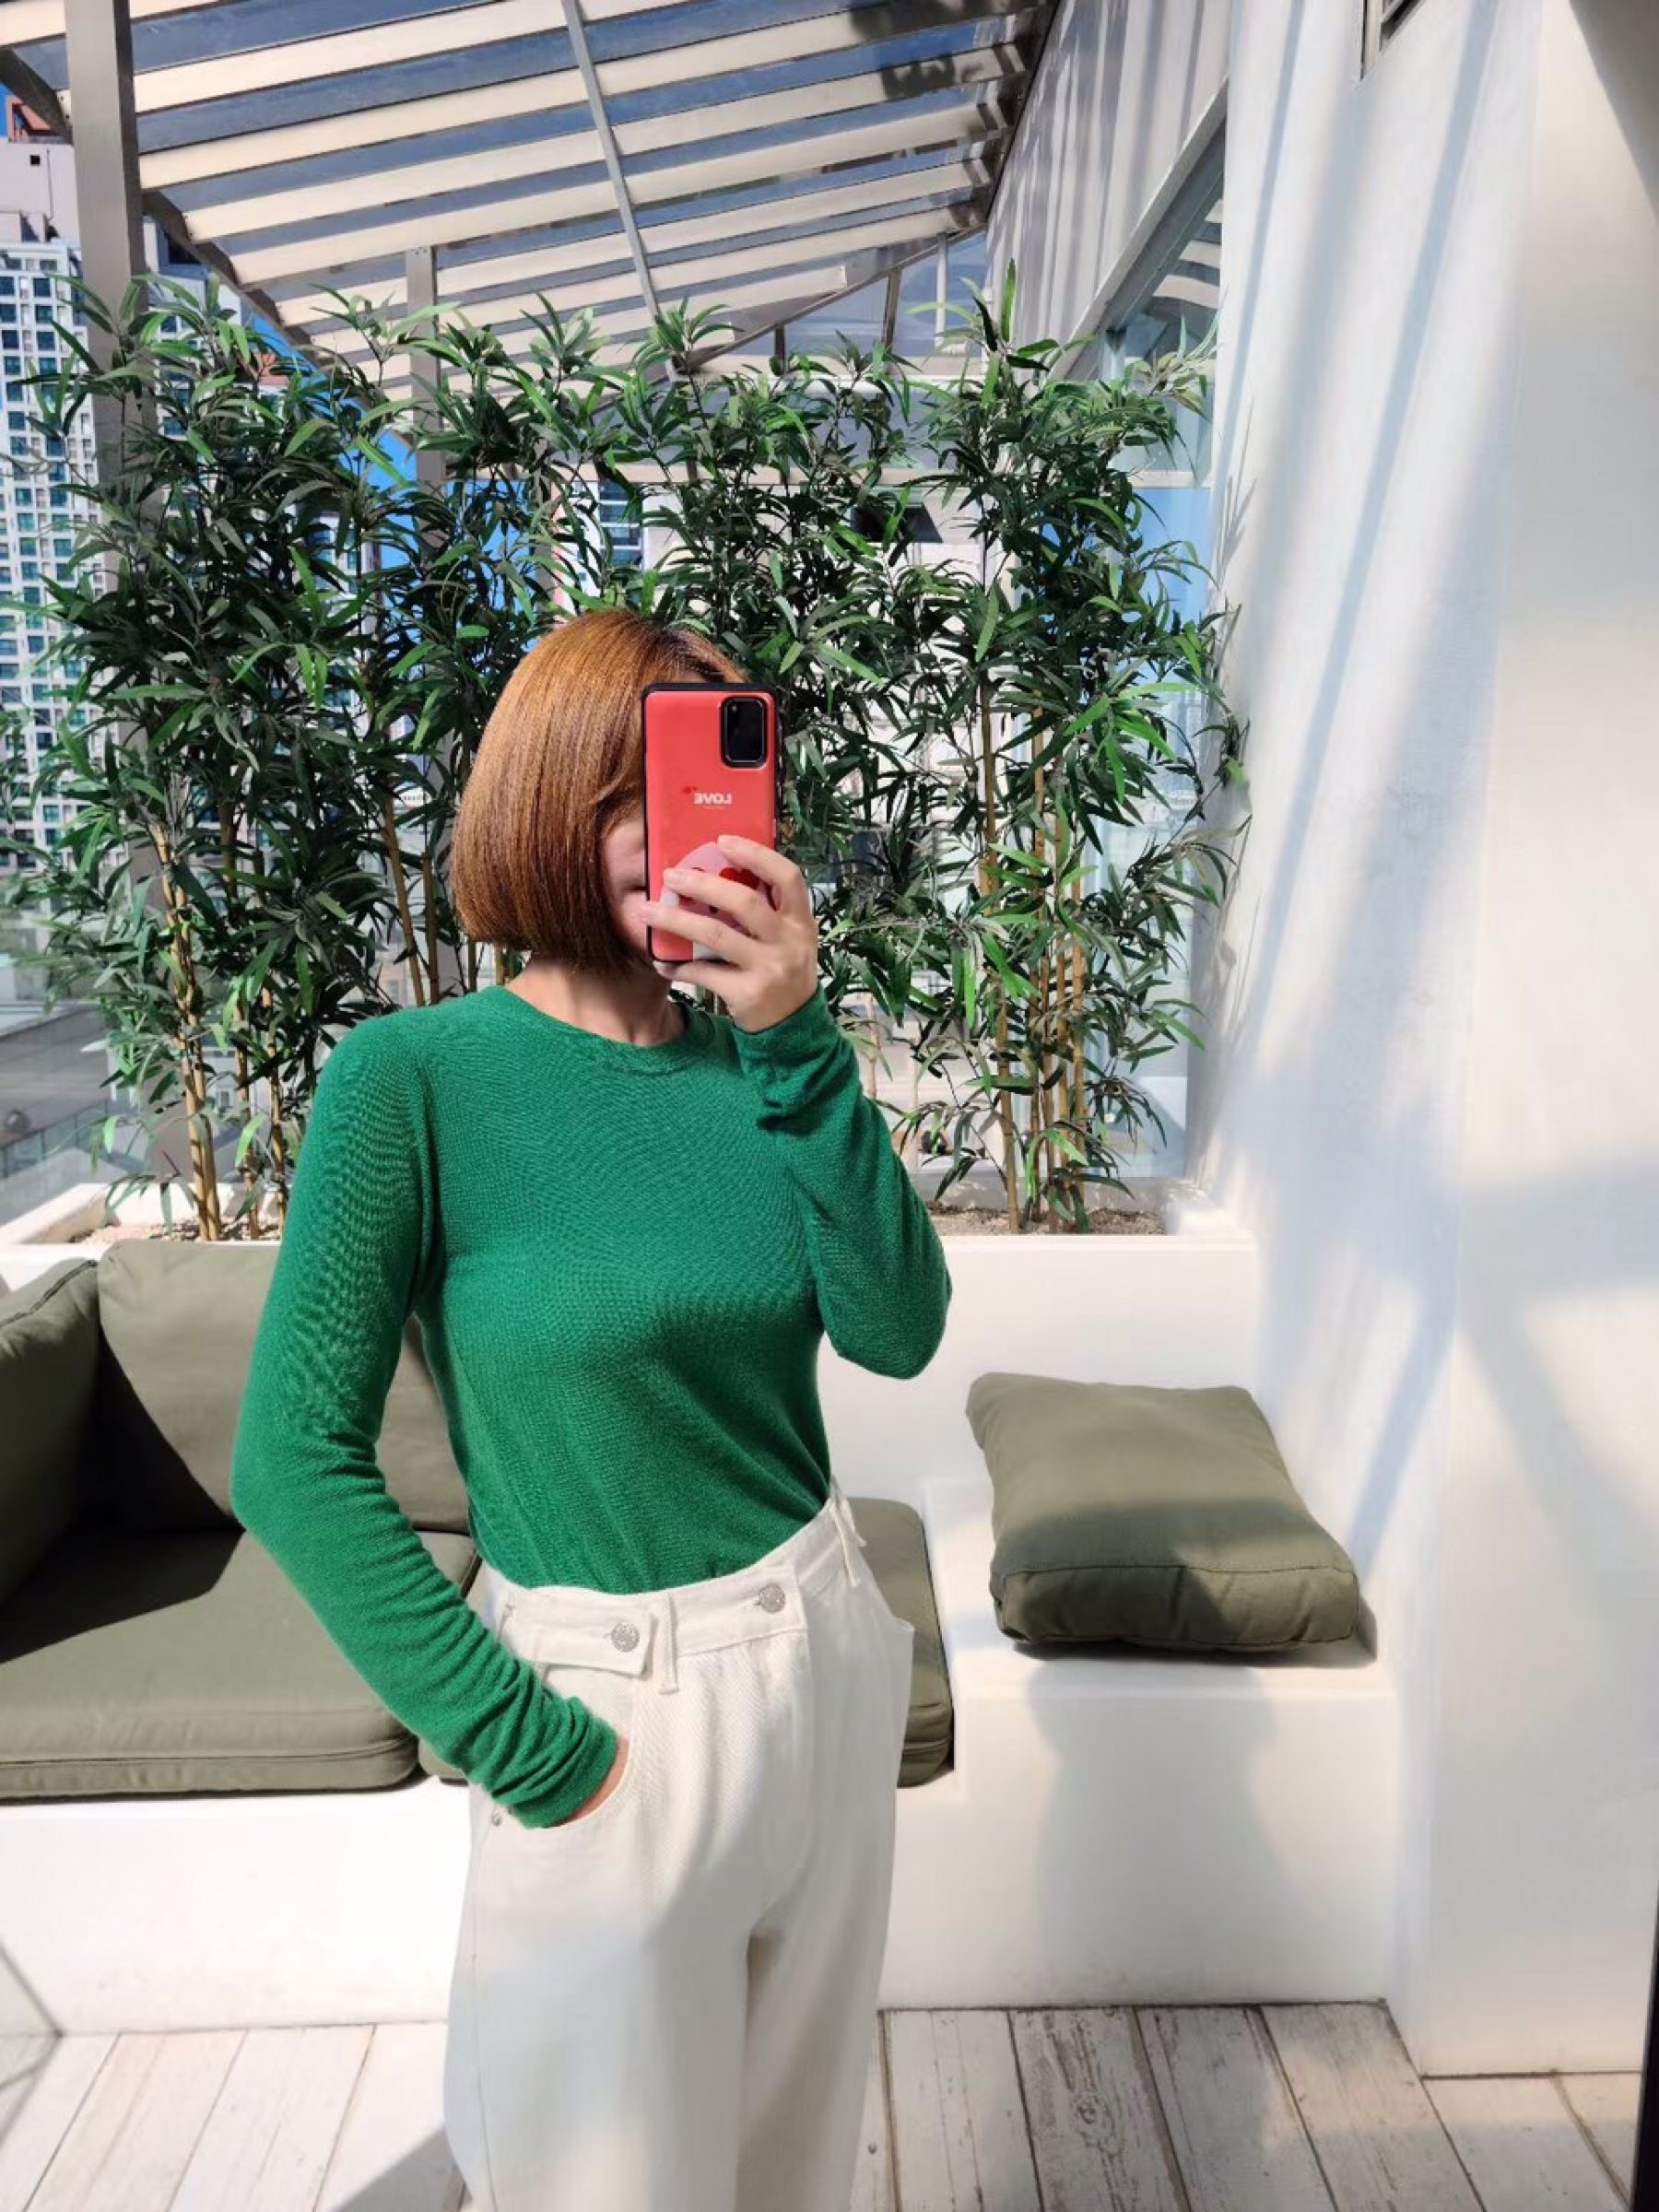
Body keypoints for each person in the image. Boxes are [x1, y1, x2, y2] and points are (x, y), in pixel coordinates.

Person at [229, 605, 953, 2212]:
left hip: (822, 1655)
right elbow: (289, 1457)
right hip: (610, 1716)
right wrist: (526, 1747)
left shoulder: (768, 1068)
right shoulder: (413, 1082)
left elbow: (899, 1331)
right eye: (630, 787)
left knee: (790, 2181)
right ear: (547, 798)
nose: (671, 827)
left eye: (704, 782)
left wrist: (800, 1041)